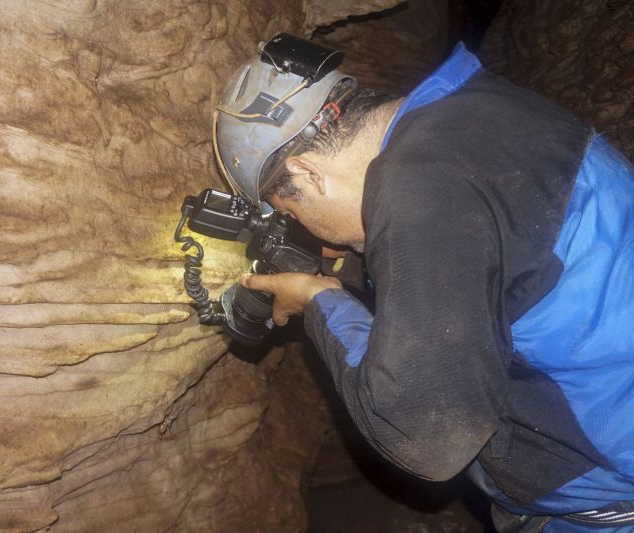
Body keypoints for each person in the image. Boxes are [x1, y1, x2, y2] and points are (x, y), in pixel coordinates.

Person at [214, 34, 634, 532]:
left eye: (292, 210)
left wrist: (318, 300)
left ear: (306, 172)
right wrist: (353, 263)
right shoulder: (473, 107)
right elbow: (483, 260)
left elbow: (429, 434)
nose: (304, 227)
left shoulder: (416, 193)